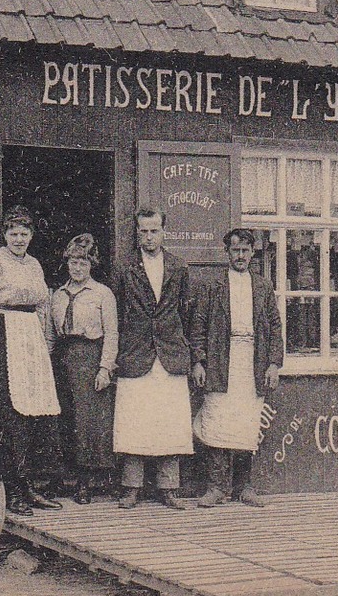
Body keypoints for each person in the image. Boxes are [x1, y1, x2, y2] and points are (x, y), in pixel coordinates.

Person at [0, 206, 62, 515]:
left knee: (38, 411)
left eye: (24, 234)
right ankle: (12, 490)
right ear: (5, 235)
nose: (18, 239)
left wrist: (46, 343)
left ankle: (31, 486)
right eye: (13, 234)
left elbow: (44, 306)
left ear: (31, 235)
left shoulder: (34, 265)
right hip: (3, 336)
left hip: (31, 337)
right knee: (12, 414)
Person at [190, 228, 284, 507]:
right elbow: (198, 326)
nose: (240, 255)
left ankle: (244, 487)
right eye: (235, 250)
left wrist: (273, 364)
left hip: (252, 362)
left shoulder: (263, 287)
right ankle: (217, 487)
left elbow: (276, 328)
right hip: (221, 361)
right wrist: (198, 361)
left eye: (245, 250)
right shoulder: (213, 285)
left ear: (252, 253)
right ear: (227, 253)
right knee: (218, 420)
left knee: (245, 424)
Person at [111, 207, 195, 510]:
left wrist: (183, 348)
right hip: (136, 354)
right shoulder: (124, 267)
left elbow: (185, 313)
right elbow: (117, 313)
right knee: (135, 421)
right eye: (143, 231)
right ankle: (131, 487)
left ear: (164, 231)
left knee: (169, 422)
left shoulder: (178, 266)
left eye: (154, 230)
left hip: (169, 354)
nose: (149, 237)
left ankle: (168, 487)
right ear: (137, 233)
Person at [48, 233, 119, 503]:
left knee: (87, 422)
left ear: (92, 265)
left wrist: (105, 368)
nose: (78, 268)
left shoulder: (102, 294)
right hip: (63, 358)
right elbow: (51, 335)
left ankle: (86, 482)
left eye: (83, 263)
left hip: (89, 358)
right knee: (64, 418)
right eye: (73, 262)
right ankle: (65, 478)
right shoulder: (57, 295)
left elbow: (111, 333)